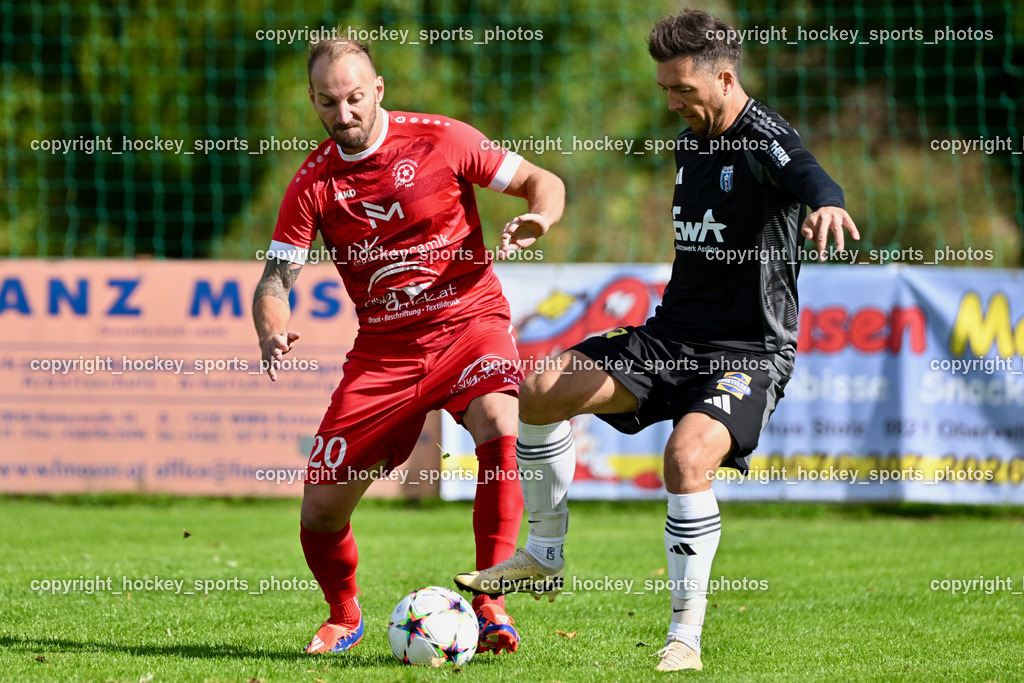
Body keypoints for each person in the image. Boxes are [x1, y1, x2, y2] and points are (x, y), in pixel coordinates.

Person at [454, 9, 858, 672]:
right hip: (671, 335)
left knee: (687, 455)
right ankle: (545, 555)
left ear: (725, 79)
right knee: (539, 388)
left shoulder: (763, 138)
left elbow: (811, 174)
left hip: (748, 352)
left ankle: (684, 638)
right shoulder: (690, 140)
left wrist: (828, 204)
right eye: (665, 90)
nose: (672, 102)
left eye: (683, 91)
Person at [252, 38, 565, 655]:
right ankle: (344, 616)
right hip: (384, 353)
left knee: (503, 421)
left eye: (354, 98)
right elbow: (274, 278)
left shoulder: (441, 140)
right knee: (319, 511)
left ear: (379, 89)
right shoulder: (313, 183)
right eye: (327, 102)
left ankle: (490, 602)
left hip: (468, 323)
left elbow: (539, 178)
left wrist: (541, 216)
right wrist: (270, 325)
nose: (343, 113)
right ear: (312, 102)